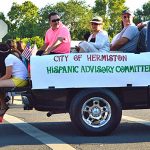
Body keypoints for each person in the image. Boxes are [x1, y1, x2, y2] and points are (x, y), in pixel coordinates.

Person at [0, 43, 28, 115]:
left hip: (20, 80)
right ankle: (3, 104)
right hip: (21, 79)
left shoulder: (8, 59)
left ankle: (3, 106)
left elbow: (7, 76)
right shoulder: (10, 56)